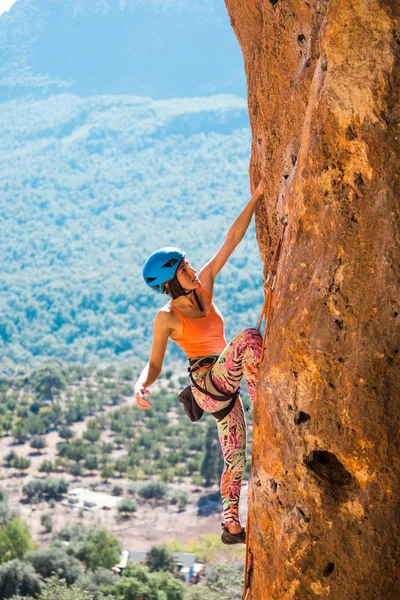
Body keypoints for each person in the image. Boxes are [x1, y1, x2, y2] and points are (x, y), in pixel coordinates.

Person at [134, 177, 266, 544]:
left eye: (189, 265)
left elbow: (231, 240)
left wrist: (256, 197)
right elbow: (156, 363)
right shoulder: (167, 317)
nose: (193, 271)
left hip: (225, 383)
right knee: (249, 339)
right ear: (169, 283)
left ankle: (230, 525)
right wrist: (141, 382)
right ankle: (265, 402)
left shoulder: (204, 285)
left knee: (235, 456)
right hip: (208, 384)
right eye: (184, 270)